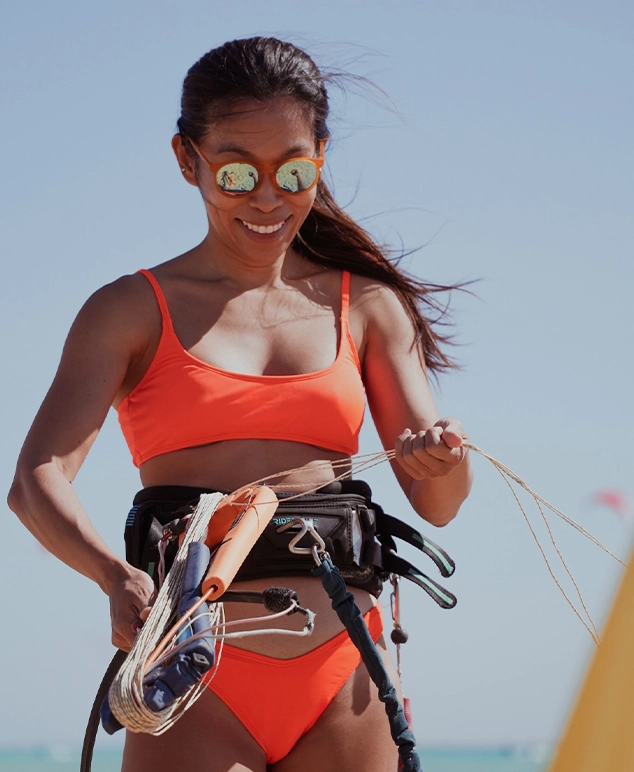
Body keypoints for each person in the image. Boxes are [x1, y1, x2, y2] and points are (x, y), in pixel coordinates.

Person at [8, 37, 472, 772]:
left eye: (292, 170)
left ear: (320, 155)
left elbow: (440, 503)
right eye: (234, 172)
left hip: (341, 669)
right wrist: (111, 575)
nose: (266, 197)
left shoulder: (369, 308)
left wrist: (443, 459)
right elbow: (35, 480)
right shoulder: (129, 311)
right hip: (194, 671)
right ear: (186, 160)